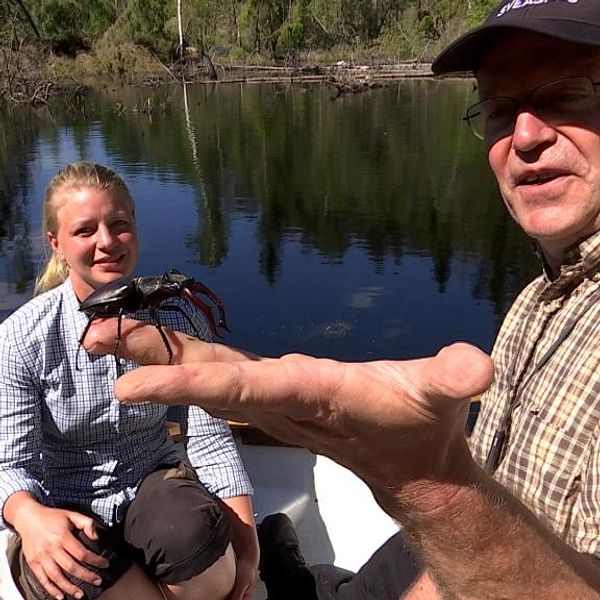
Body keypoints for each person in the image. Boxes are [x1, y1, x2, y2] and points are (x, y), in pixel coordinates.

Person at [82, 1, 600, 598]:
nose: (526, 135)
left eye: (566, 93)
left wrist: (433, 486)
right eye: (501, 109)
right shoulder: (541, 300)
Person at [0, 162, 259, 600]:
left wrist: (247, 544)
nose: (106, 242)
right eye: (85, 231)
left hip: (152, 480)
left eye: (119, 224)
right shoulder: (20, 339)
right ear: (56, 243)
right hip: (60, 500)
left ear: (135, 228)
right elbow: (10, 463)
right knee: (68, 575)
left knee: (208, 562)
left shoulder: (178, 317)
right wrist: (28, 517)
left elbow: (209, 438)